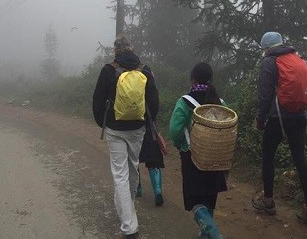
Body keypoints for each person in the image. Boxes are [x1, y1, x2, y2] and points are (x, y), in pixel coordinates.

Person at [92, 35, 159, 239]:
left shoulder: (108, 70)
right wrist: (148, 123)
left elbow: (98, 99)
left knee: (120, 174)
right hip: (138, 128)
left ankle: (129, 226)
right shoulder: (145, 69)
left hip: (114, 128)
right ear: (131, 49)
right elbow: (154, 100)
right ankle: (127, 210)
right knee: (132, 168)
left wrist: (101, 122)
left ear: (116, 51)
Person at [251, 31, 307, 228]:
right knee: (300, 160)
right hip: (299, 115)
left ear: (266, 48)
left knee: (268, 157)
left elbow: (265, 95)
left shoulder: (269, 62)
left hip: (277, 117)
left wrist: (260, 118)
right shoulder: (295, 57)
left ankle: (268, 201)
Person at [168, 62, 227, 239]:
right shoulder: (220, 102)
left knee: (195, 201)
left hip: (193, 157)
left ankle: (214, 234)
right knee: (209, 198)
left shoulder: (185, 102)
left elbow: (175, 130)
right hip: (216, 158)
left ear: (193, 79)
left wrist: (181, 145)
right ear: (210, 79)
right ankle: (204, 233)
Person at [135, 115, 165, 206]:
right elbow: (154, 110)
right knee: (154, 161)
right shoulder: (150, 99)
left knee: (134, 160)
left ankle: (137, 189)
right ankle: (157, 190)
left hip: (132, 131)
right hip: (149, 130)